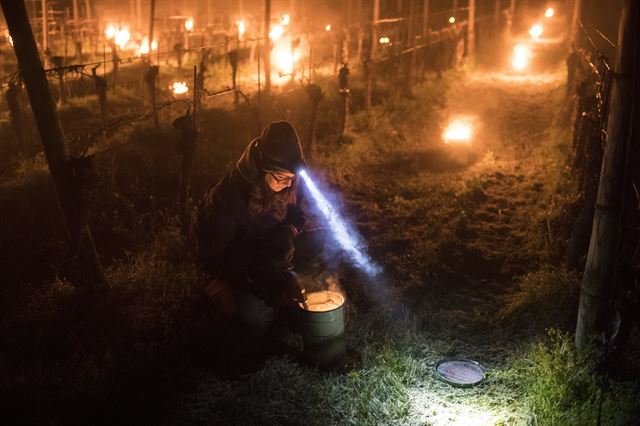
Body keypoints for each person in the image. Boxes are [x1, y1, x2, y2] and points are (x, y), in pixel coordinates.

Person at [194, 121, 326, 332]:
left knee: (326, 243)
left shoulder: (286, 180)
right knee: (257, 317)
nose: (290, 184)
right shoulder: (226, 199)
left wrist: (288, 232)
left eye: (292, 178)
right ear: (262, 170)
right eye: (283, 178)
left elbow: (296, 216)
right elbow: (210, 260)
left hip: (273, 256)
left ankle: (296, 291)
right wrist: (256, 274)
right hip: (234, 272)